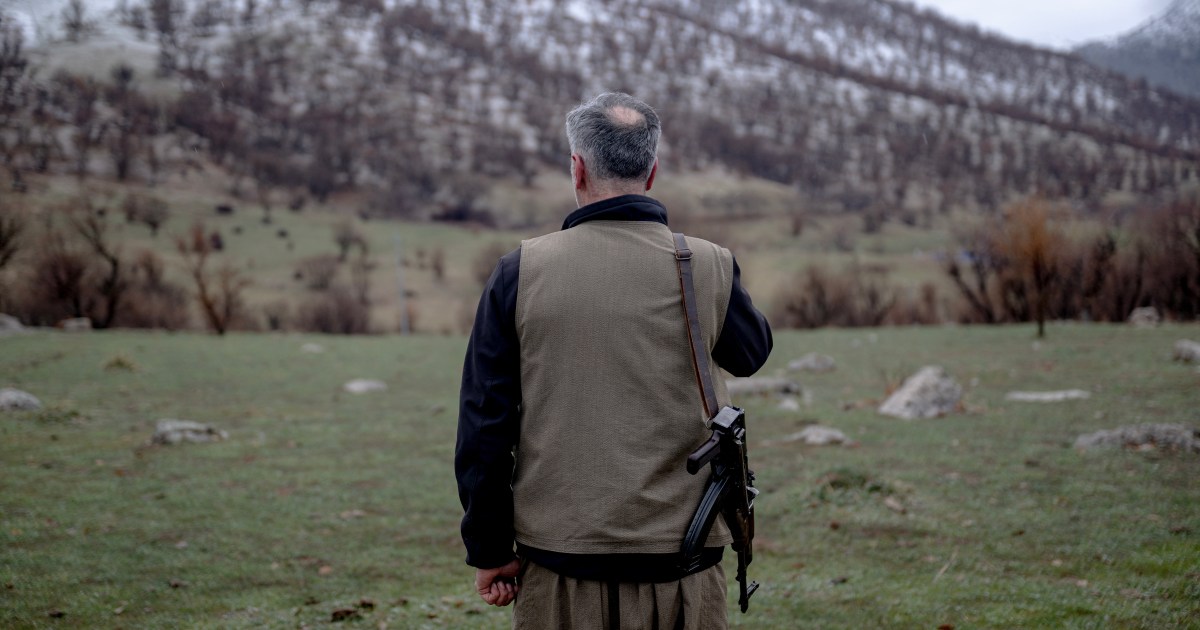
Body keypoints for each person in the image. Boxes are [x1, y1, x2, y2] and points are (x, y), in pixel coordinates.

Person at [455, 92, 772, 629]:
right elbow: (751, 354)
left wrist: (489, 548)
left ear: (577, 168)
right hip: (684, 562)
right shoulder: (710, 264)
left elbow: (485, 427)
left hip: (560, 562)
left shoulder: (519, 272)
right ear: (653, 172)